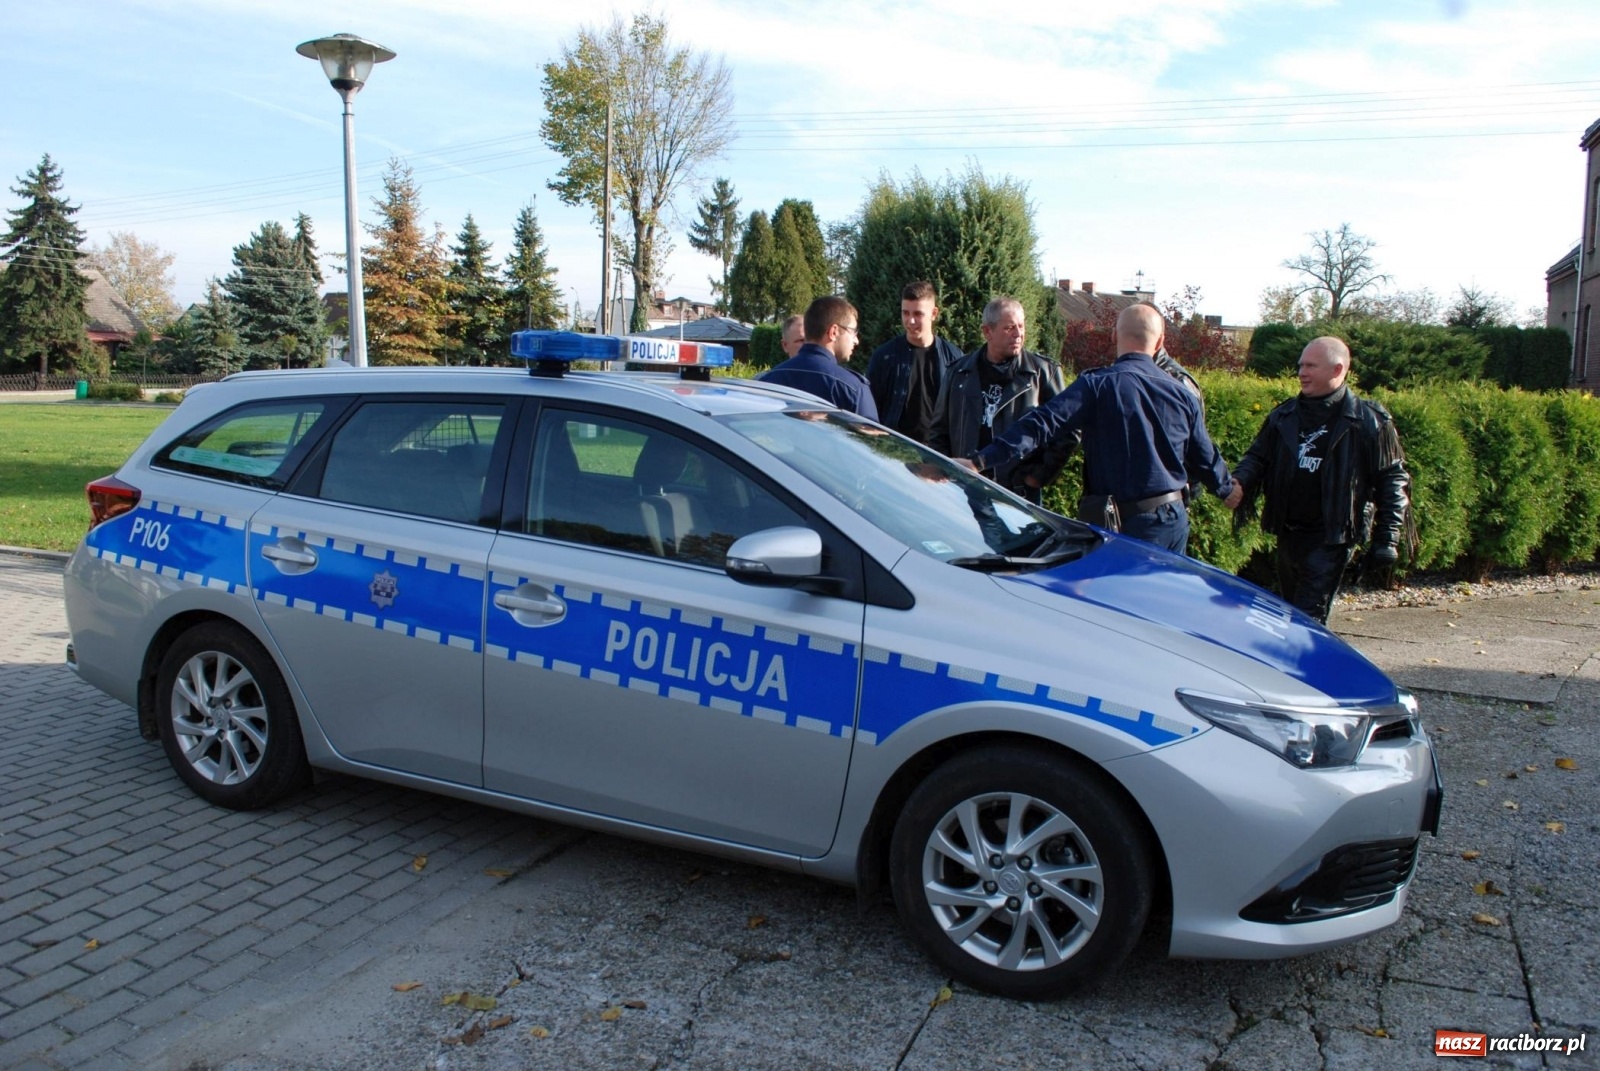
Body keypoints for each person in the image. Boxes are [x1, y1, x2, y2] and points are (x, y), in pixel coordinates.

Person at [958, 303, 1237, 555]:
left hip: (1122, 526)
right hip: (1172, 521)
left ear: (1114, 336)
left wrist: (980, 461)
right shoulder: (1182, 392)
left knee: (1116, 609)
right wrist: (1228, 490)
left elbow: (1041, 424)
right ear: (1161, 341)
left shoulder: (1096, 385)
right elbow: (1204, 454)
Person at [1231, 336, 1413, 623]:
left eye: (1311, 366)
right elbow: (1258, 457)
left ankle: (1302, 665)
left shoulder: (1368, 420)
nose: (1301, 372)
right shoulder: (1284, 415)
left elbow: (1392, 479)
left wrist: (1387, 538)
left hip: (1332, 535)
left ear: (1337, 370)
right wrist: (1239, 482)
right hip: (1289, 533)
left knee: (1307, 616)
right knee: (1290, 612)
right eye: (1301, 365)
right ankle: (1294, 663)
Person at [927, 296, 1070, 503]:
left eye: (1021, 326)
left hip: (1017, 493)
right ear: (988, 332)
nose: (1018, 334)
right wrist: (947, 471)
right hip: (965, 489)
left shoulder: (1042, 373)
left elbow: (1066, 430)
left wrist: (1038, 476)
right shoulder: (959, 372)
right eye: (1009, 328)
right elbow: (939, 430)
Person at [865, 281, 964, 444]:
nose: (910, 321)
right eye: (905, 313)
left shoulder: (954, 358)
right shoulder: (884, 356)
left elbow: (960, 413)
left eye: (918, 314)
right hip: (893, 451)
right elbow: (870, 410)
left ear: (934, 313)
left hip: (937, 454)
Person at [759, 296, 879, 419]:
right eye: (853, 332)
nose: (856, 341)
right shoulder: (852, 388)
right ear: (833, 332)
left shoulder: (767, 381)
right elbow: (872, 438)